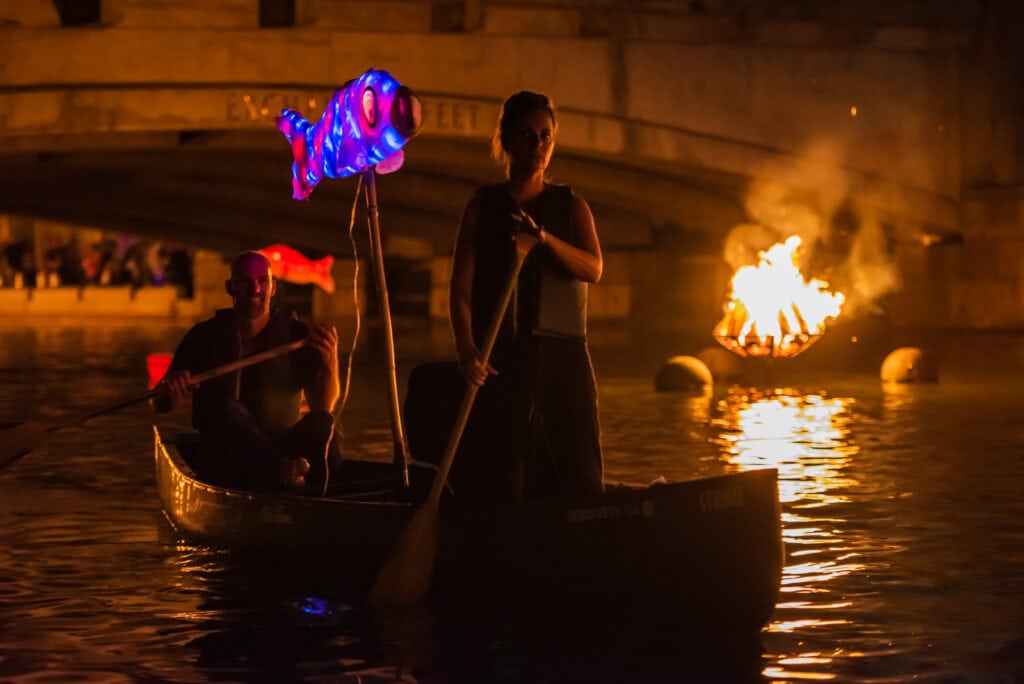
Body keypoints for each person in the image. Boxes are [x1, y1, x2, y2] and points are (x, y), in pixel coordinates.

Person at [445, 89, 605, 501]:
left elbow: (594, 268)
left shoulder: (573, 207)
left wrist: (545, 239)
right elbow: (461, 290)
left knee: (580, 472)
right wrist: (466, 349)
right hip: (503, 359)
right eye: (527, 134)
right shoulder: (483, 206)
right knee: (505, 475)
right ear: (508, 139)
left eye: (545, 136)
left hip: (563, 358)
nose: (537, 145)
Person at [152, 250, 341, 491]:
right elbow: (158, 405)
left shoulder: (296, 335)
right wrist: (170, 391)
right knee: (224, 407)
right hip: (225, 457)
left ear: (273, 288)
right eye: (245, 281)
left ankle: (322, 492)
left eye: (263, 281)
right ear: (230, 287)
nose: (256, 289)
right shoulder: (204, 337)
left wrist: (330, 361)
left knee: (326, 423)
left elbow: (323, 407)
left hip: (284, 449)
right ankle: (280, 471)